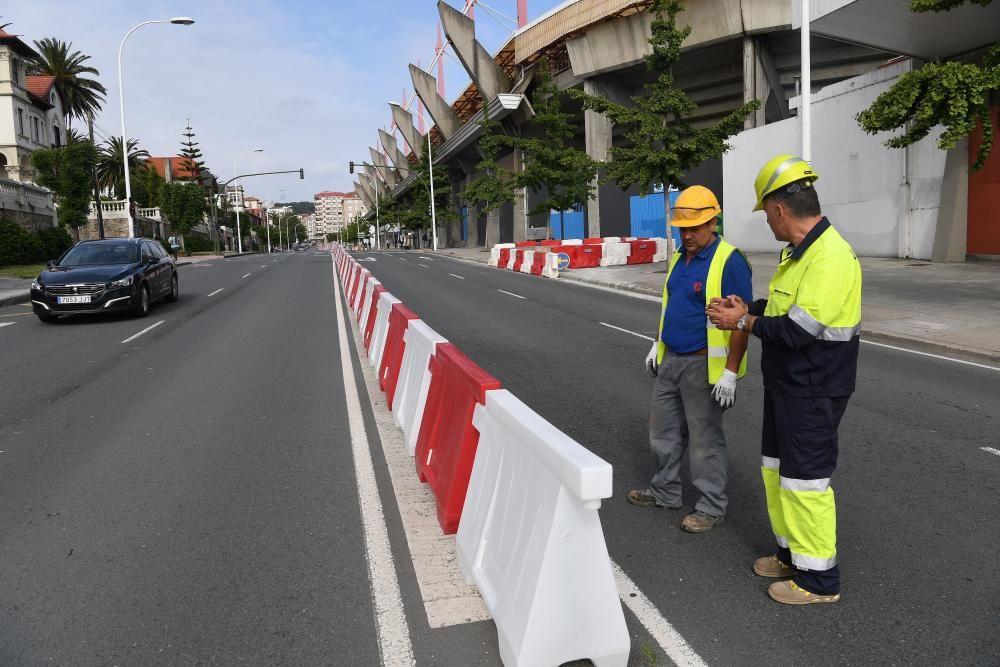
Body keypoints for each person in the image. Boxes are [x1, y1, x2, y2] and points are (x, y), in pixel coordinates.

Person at [707, 155, 861, 605]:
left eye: (765, 214)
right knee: (778, 474)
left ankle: (819, 582)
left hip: (814, 390)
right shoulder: (798, 254)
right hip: (788, 387)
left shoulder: (830, 257)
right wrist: (750, 308)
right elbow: (782, 312)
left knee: (805, 482)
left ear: (778, 209)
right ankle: (792, 554)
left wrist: (742, 323)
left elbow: (797, 331)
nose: (768, 224)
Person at [627, 185, 752, 533]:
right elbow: (672, 307)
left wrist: (728, 372)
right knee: (662, 433)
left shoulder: (730, 260)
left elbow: (742, 319)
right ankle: (664, 491)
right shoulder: (681, 257)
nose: (688, 234)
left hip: (703, 366)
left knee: (704, 441)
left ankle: (711, 506)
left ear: (714, 222)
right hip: (671, 361)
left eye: (695, 227)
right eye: (683, 227)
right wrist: (657, 342)